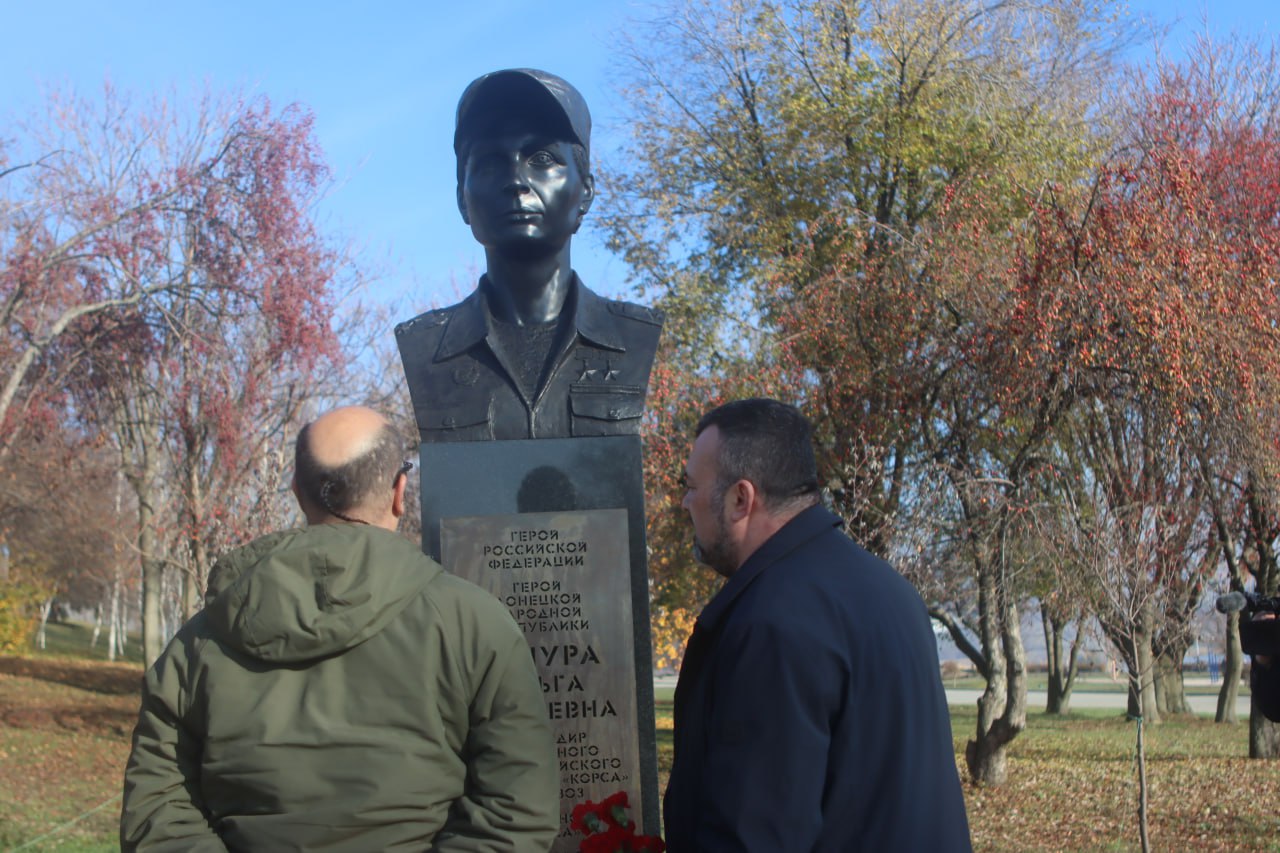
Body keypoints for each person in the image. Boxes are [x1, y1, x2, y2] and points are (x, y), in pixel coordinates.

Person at [120, 406, 558, 852]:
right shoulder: (477, 626)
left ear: (295, 490)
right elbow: (515, 814)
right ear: (398, 492)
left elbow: (158, 812)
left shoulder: (198, 642)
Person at [663, 398, 972, 852]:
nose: (686, 502)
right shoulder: (889, 589)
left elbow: (754, 835)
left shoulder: (773, 621)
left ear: (740, 499)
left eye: (691, 486)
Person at [395, 68, 662, 442]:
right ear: (462, 200)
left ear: (585, 191)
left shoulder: (634, 336)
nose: (516, 181)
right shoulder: (425, 347)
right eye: (489, 162)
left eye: (542, 158)